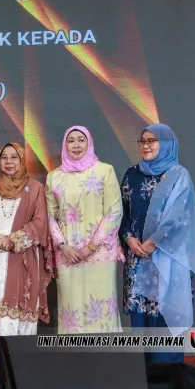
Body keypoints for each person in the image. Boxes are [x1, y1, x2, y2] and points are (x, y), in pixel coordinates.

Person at [119, 124, 195, 361]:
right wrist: (129, 239)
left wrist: (153, 243)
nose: (146, 146)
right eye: (143, 141)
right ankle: (142, 383)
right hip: (137, 262)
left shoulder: (179, 175)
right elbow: (122, 214)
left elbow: (179, 217)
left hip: (168, 260)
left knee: (165, 324)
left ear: (166, 144)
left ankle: (169, 382)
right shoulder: (131, 174)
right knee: (140, 327)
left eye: (152, 141)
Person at [45, 126, 124, 334]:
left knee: (100, 310)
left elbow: (114, 211)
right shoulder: (54, 177)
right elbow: (49, 216)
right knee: (72, 309)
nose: (76, 145)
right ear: (65, 145)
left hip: (99, 253)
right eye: (71, 140)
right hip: (68, 256)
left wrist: (91, 247)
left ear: (89, 143)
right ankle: (74, 354)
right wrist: (63, 246)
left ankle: (104, 354)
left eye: (81, 140)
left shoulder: (105, 171)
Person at [0, 142, 53, 342]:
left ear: (22, 160)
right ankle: (5, 361)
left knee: (25, 317)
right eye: (4, 157)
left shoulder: (35, 188)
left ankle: (23, 361)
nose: (8, 161)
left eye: (14, 157)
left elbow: (40, 222)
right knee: (2, 317)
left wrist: (14, 240)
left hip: (24, 257)